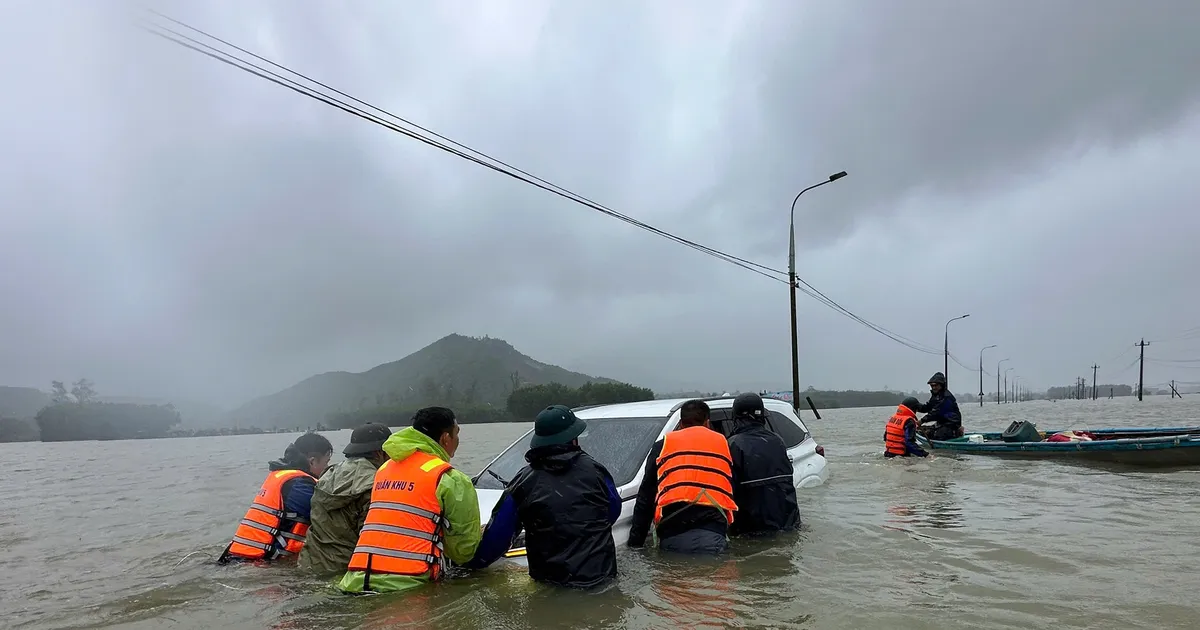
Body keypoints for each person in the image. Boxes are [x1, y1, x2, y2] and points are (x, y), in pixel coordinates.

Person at [468, 405, 621, 589]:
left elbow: (498, 536)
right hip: (602, 580)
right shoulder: (597, 472)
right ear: (573, 439)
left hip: (550, 585)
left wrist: (473, 564)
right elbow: (613, 510)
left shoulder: (523, 482)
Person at [337, 407, 481, 593]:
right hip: (408, 584)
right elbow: (463, 551)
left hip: (355, 580)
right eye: (457, 433)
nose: (458, 440)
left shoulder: (384, 469)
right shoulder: (450, 478)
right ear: (446, 438)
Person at [628, 399, 736, 555]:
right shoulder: (724, 445)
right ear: (707, 422)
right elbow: (733, 489)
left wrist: (635, 545)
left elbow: (645, 497)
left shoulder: (662, 446)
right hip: (713, 535)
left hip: (673, 534)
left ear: (681, 424)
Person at [219, 432, 333, 563]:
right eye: (326, 463)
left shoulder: (282, 476)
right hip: (257, 563)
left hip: (238, 557)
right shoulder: (299, 485)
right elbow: (328, 514)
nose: (326, 468)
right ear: (312, 461)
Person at [298, 423, 392, 574]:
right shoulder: (375, 483)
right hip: (344, 570)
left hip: (309, 563)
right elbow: (373, 539)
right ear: (379, 453)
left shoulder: (328, 474)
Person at [726, 393, 800, 536]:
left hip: (752, 527)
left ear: (735, 417)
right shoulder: (777, 440)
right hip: (787, 521)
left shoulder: (733, 444)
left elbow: (729, 487)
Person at [915, 372, 963, 441]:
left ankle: (956, 433)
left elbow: (936, 413)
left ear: (941, 385)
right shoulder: (935, 396)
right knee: (920, 430)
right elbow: (928, 407)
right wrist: (916, 407)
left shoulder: (946, 397)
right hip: (941, 423)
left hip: (951, 424)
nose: (934, 387)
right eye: (932, 386)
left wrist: (921, 421)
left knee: (933, 435)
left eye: (936, 385)